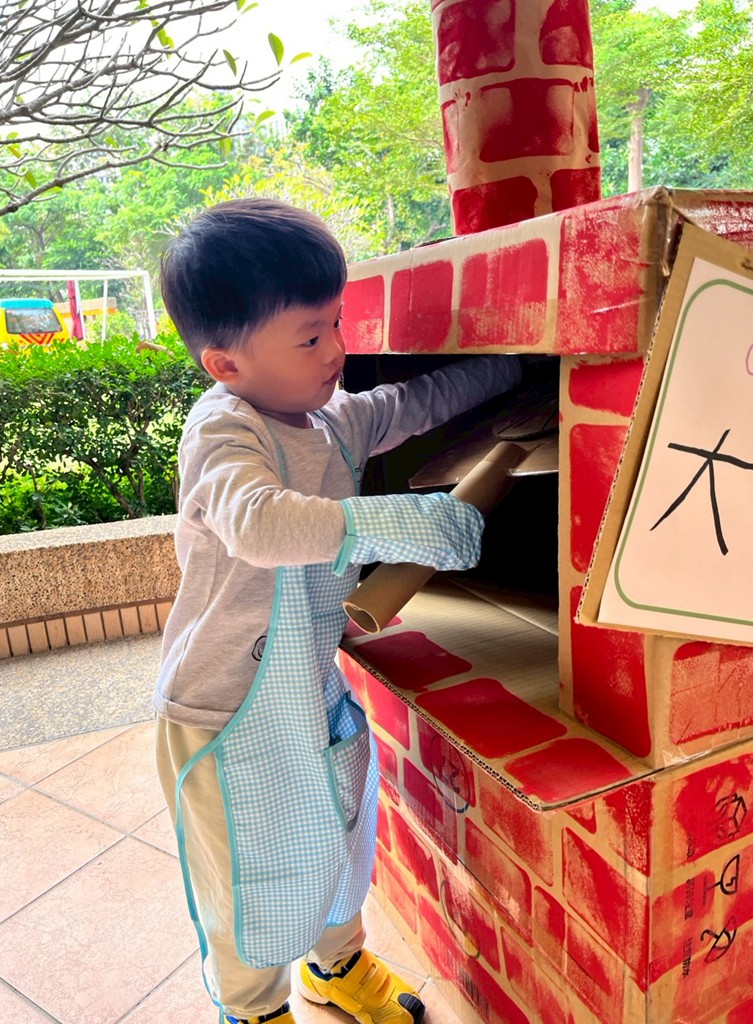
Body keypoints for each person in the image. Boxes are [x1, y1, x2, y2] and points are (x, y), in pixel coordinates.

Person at [154, 197, 522, 1024]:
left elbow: (417, 402)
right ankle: (254, 1008)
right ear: (225, 363)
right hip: (219, 708)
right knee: (249, 875)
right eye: (309, 337)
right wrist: (399, 523)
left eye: (335, 325)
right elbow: (259, 524)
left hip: (309, 688)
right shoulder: (224, 433)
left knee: (336, 836)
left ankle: (337, 965)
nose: (337, 350)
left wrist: (513, 371)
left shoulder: (331, 418)